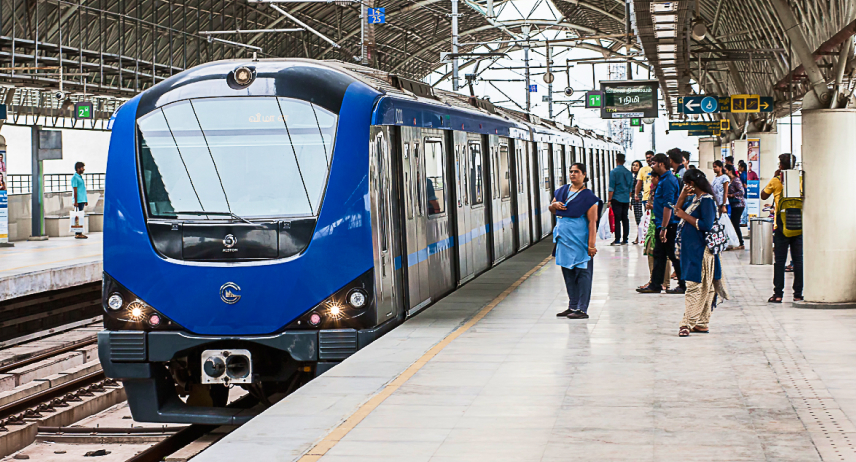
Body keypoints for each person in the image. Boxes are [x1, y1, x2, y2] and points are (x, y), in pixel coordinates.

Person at [672, 169, 729, 336]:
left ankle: (687, 323)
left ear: (692, 183)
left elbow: (706, 225)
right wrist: (682, 196)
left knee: (695, 286)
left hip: (702, 251)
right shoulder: (695, 200)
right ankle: (702, 322)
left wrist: (685, 215)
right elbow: (677, 212)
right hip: (692, 250)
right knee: (704, 286)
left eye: (685, 183)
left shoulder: (707, 201)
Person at [550, 163, 601, 320]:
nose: (573, 174)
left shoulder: (589, 198)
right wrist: (554, 205)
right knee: (568, 272)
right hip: (564, 241)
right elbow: (552, 208)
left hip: (580, 242)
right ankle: (572, 305)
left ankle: (582, 308)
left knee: (583, 273)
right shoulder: (562, 192)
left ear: (584, 174)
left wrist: (591, 245)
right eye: (571, 172)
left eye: (576, 172)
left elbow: (592, 223)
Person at [638, 153, 685, 294]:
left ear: (661, 164)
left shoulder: (668, 180)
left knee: (672, 254)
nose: (652, 166)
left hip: (669, 224)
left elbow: (668, 205)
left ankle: (683, 284)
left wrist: (664, 227)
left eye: (654, 163)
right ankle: (656, 284)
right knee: (659, 254)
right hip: (661, 223)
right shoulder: (664, 180)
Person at [762, 153, 802, 303]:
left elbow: (763, 195)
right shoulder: (801, 179)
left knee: (779, 261)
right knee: (798, 261)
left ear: (781, 165)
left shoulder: (777, 180)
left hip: (781, 226)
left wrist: (774, 177)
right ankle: (798, 294)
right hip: (798, 225)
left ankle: (778, 294)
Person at [607, 153, 634, 245]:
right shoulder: (629, 173)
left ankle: (617, 239)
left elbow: (611, 188)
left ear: (616, 160)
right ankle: (625, 239)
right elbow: (631, 188)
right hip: (626, 199)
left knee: (617, 219)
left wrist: (609, 200)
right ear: (624, 161)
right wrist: (628, 198)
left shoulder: (613, 172)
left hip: (616, 198)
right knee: (625, 218)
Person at [724, 164, 745, 249]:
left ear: (730, 171)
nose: (724, 171)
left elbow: (741, 191)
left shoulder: (736, 180)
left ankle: (741, 242)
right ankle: (737, 241)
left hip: (739, 204)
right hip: (733, 204)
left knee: (735, 223)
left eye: (725, 170)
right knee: (733, 223)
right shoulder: (729, 180)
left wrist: (731, 195)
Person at [71, 162, 88, 239]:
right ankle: (78, 233)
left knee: (80, 217)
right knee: (78, 217)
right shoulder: (75, 178)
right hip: (78, 200)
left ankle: (79, 232)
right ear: (78, 168)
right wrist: (75, 201)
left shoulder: (80, 177)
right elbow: (75, 190)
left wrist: (86, 200)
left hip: (82, 199)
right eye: (82, 168)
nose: (83, 169)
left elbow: (82, 190)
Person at [630, 160, 644, 244]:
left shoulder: (638, 177)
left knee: (639, 218)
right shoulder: (634, 176)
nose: (634, 167)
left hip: (638, 199)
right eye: (633, 165)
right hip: (635, 199)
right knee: (637, 218)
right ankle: (638, 236)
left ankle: (639, 236)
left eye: (636, 165)